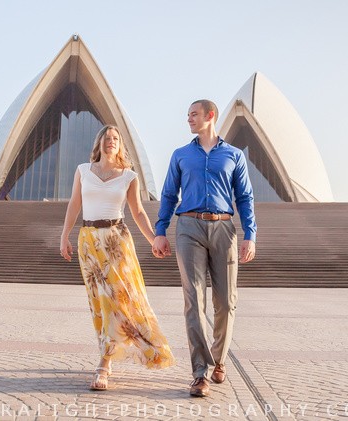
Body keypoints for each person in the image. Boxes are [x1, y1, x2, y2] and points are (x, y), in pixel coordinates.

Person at [153, 99, 257, 398]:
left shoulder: (234, 155)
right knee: (193, 300)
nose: (189, 119)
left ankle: (220, 359)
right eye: (187, 115)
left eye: (194, 114)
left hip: (224, 228)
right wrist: (160, 231)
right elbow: (169, 194)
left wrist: (251, 234)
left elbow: (245, 197)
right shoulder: (181, 155)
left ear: (210, 116)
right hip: (189, 227)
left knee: (226, 301)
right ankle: (199, 373)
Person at [60, 124, 175, 391]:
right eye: (107, 137)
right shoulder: (83, 171)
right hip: (88, 240)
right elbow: (74, 204)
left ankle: (105, 363)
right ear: (99, 143)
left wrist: (154, 239)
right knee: (99, 302)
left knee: (120, 299)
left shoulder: (128, 176)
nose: (111, 141)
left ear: (121, 146)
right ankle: (108, 353)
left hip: (116, 240)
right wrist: (64, 235)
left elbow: (138, 213)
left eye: (115, 139)